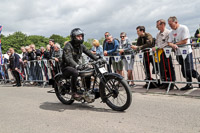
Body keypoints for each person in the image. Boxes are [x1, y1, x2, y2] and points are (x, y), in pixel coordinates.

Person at [61, 28, 99, 98]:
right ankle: (74, 92)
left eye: (81, 36)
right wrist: (77, 65)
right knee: (75, 72)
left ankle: (87, 90)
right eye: (78, 36)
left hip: (77, 65)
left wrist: (97, 58)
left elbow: (88, 52)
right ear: (73, 37)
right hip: (66, 66)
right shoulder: (68, 46)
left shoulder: (81, 46)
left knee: (88, 70)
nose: (80, 38)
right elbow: (68, 59)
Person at [168, 16, 200, 90]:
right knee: (183, 70)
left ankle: (198, 77)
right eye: (169, 25)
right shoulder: (171, 32)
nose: (170, 26)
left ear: (175, 22)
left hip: (186, 52)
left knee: (189, 69)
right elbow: (169, 42)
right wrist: (172, 45)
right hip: (178, 53)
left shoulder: (183, 28)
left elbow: (185, 41)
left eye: (171, 24)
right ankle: (189, 84)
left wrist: (176, 44)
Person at [152, 19, 176, 90]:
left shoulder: (168, 32)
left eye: (158, 25)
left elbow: (167, 43)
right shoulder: (158, 34)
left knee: (169, 68)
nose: (157, 27)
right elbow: (156, 43)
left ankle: (171, 83)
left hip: (166, 52)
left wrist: (157, 47)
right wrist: (156, 47)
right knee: (162, 68)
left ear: (162, 25)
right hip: (159, 53)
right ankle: (165, 83)